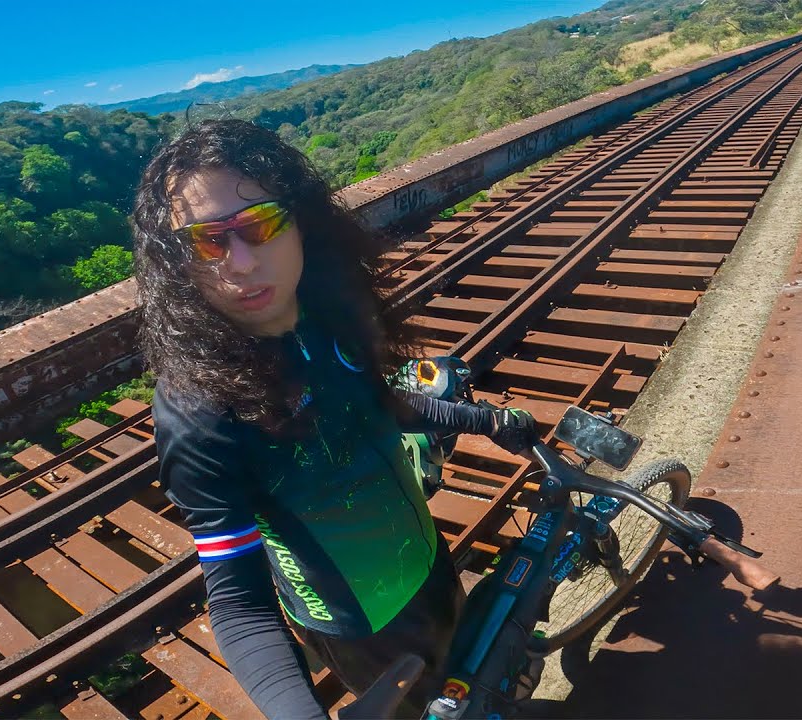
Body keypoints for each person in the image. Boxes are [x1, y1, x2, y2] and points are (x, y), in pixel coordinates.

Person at [131, 119, 537, 720]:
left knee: (474, 677)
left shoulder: (325, 317)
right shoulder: (198, 411)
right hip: (357, 622)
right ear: (176, 262)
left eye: (258, 224)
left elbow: (381, 403)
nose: (239, 263)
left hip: (428, 562)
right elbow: (240, 604)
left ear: (300, 221)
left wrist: (482, 420)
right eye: (205, 242)